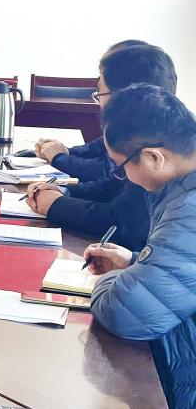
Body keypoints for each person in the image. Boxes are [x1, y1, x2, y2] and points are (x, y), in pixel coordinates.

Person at [85, 84, 196, 408]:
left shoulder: (189, 208)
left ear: (153, 158)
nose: (122, 177)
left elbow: (125, 313)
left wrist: (112, 279)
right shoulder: (181, 189)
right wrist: (136, 263)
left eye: (120, 168)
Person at [25, 44, 177, 250]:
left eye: (100, 93)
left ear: (122, 97)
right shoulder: (151, 128)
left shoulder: (158, 146)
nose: (99, 102)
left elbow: (123, 223)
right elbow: (114, 186)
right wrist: (64, 191)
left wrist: (56, 205)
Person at [35, 39, 150, 181]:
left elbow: (104, 171)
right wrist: (67, 151)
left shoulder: (146, 128)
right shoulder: (130, 119)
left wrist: (59, 158)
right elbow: (100, 147)